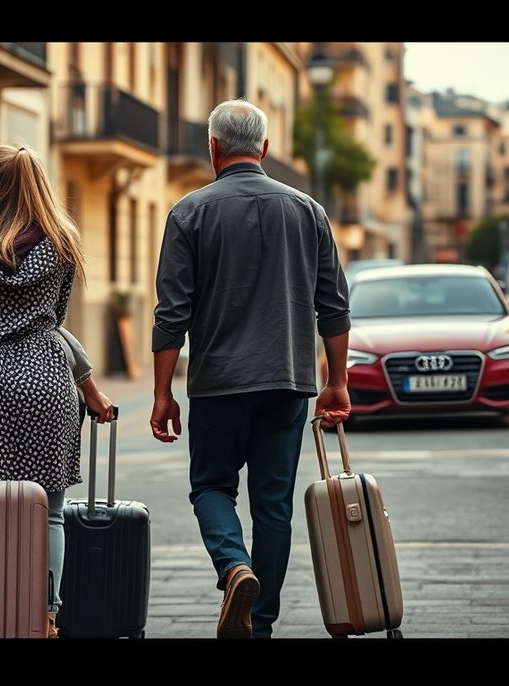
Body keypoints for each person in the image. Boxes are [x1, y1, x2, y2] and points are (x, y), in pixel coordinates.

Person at [149, 98, 352, 639]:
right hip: (288, 382)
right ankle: (259, 626)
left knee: (211, 488)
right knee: (273, 505)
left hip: (217, 384)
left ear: (212, 148)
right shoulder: (308, 211)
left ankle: (233, 566)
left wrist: (162, 392)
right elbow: (333, 306)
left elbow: (171, 313)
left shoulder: (188, 213)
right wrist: (337, 382)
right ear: (264, 147)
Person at [0, 142, 114, 639]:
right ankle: (45, 615)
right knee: (47, 510)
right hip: (45, 381)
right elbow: (56, 324)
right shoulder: (61, 244)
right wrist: (86, 382)